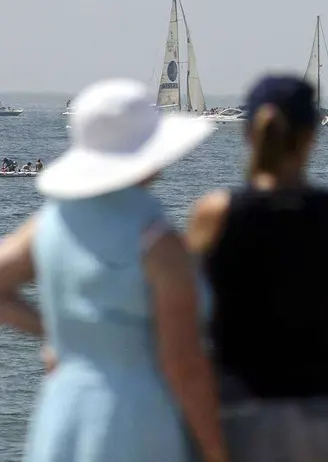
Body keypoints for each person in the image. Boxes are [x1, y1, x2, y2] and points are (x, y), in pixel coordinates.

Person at [0, 79, 227, 462]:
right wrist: (218, 450)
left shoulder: (49, 223)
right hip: (137, 417)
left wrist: (56, 334)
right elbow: (184, 363)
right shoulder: (156, 240)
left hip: (60, 413)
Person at [186, 75, 328, 462]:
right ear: (312, 136)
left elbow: (188, 314)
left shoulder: (214, 215)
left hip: (240, 406)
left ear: (248, 133)